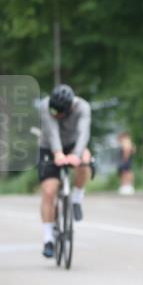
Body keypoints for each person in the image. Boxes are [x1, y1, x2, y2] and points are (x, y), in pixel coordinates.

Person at [38, 84, 93, 258]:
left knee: (85, 161)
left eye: (60, 113)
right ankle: (48, 239)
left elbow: (84, 132)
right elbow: (52, 132)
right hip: (49, 146)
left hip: (73, 144)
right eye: (54, 111)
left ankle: (76, 198)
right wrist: (57, 154)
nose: (57, 115)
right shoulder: (46, 106)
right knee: (49, 191)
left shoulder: (83, 107)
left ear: (70, 108)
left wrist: (77, 155)